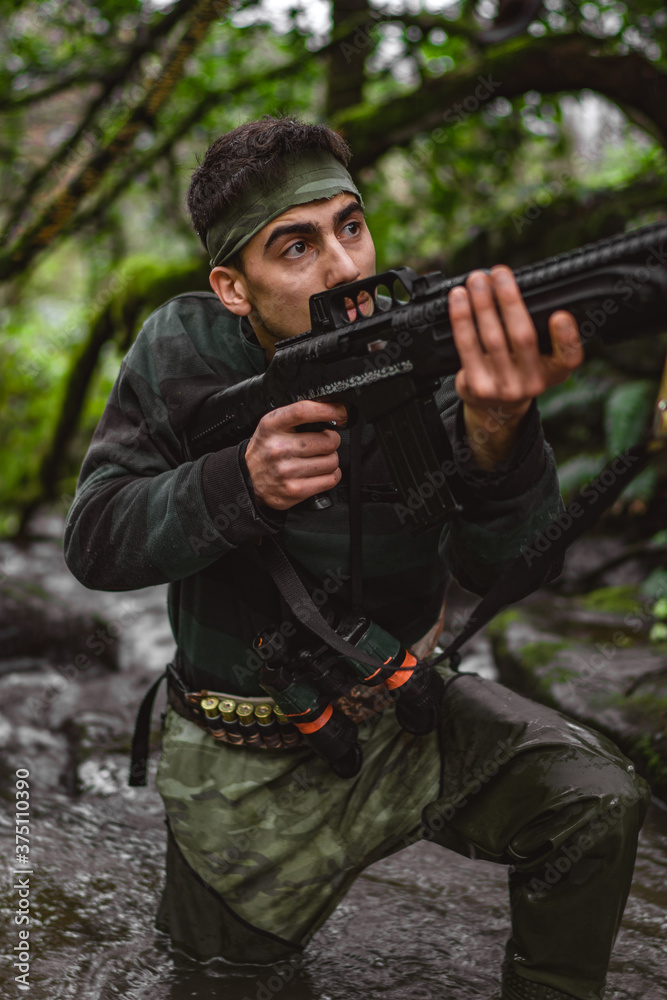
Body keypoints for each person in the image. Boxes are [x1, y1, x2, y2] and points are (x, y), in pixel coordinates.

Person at [64, 116, 648, 1000]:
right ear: (231, 285)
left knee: (594, 802)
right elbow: (95, 541)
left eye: (350, 225)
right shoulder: (178, 353)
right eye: (294, 246)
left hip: (406, 714)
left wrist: (498, 431)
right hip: (241, 761)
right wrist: (239, 484)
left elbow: (507, 569)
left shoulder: (423, 341)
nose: (344, 267)